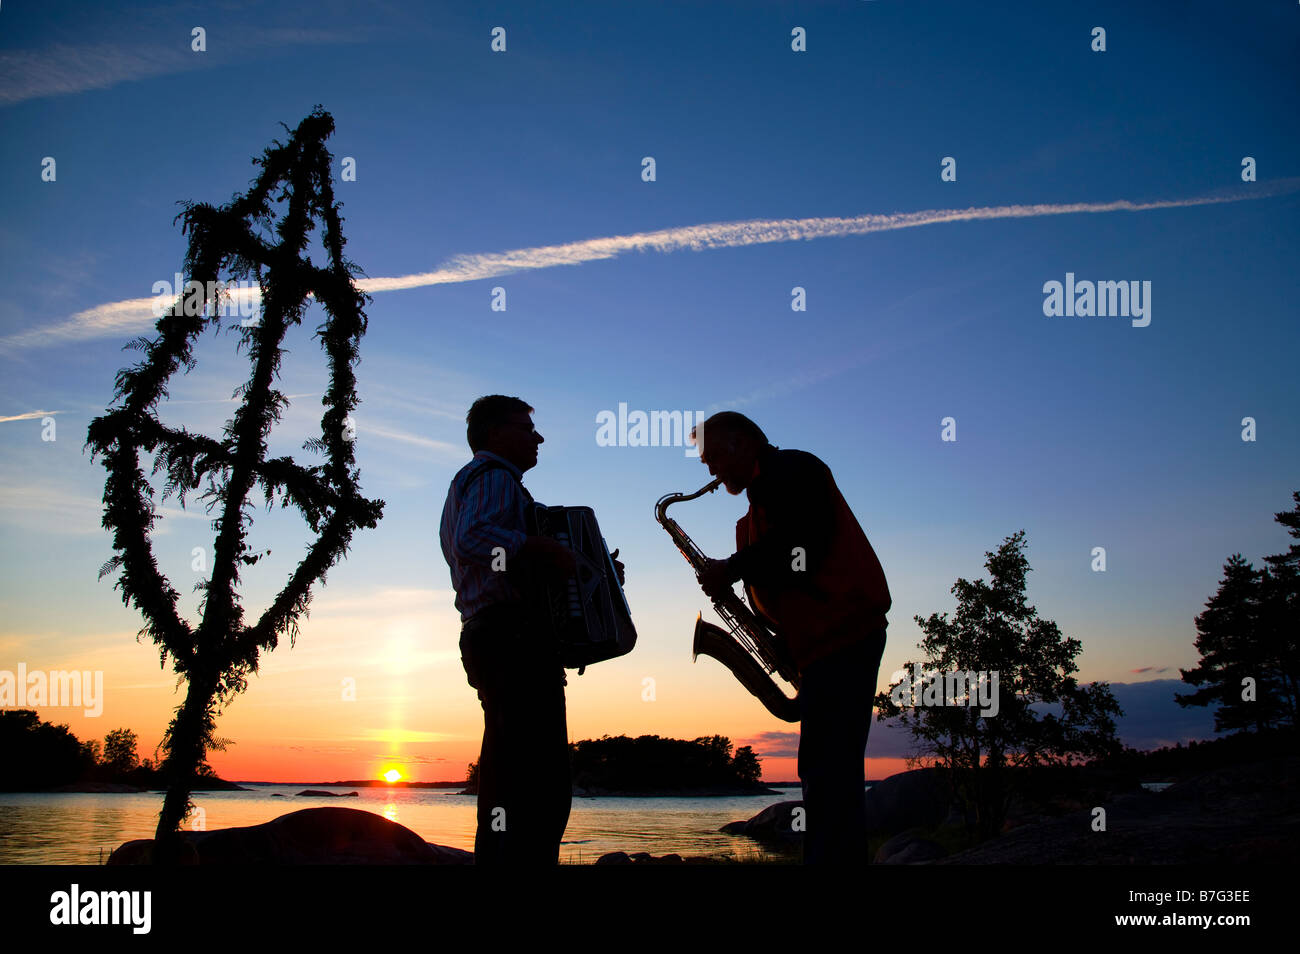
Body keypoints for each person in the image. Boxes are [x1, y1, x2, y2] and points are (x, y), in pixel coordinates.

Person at [692, 411, 890, 865]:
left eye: (713, 456)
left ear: (742, 442)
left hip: (845, 635)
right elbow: (787, 573)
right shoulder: (758, 507)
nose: (710, 471)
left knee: (829, 772)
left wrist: (732, 569)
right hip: (818, 644)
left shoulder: (794, 469)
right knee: (821, 773)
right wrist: (776, 634)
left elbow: (801, 547)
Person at [439, 395, 623, 865]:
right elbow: (473, 540)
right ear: (496, 434)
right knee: (540, 788)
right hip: (511, 640)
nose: (537, 437)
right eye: (526, 428)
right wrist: (541, 549)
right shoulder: (495, 477)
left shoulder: (479, 483)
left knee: (507, 781)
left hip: (496, 638)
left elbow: (493, 553)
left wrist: (589, 569)